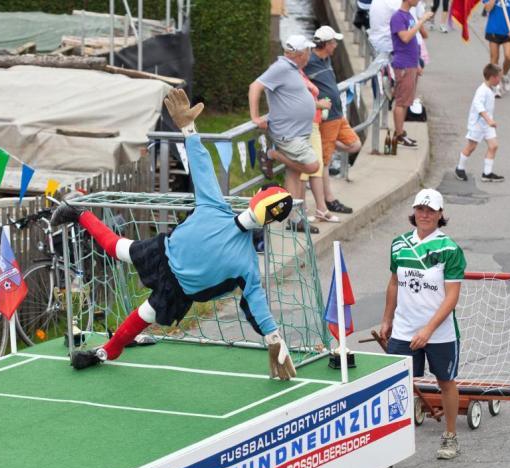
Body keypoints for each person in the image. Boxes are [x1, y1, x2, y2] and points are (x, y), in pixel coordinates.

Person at [53, 89, 297, 382]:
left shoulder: (244, 261)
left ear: (254, 198)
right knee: (118, 249)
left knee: (141, 315)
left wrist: (273, 338)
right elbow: (201, 164)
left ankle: (105, 352)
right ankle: (78, 213)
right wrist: (188, 128)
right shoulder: (218, 213)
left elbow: (256, 302)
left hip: (177, 291)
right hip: (162, 252)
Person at [380, 189, 466, 460]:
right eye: (420, 209)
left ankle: (450, 436)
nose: (425, 215)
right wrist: (387, 319)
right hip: (404, 328)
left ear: (440, 215)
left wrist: (428, 329)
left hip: (439, 332)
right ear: (414, 212)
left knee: (446, 381)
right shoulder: (398, 244)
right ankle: (391, 444)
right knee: (395, 384)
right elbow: (394, 283)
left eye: (431, 211)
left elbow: (452, 295)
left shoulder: (449, 249)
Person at [248, 34, 321, 212]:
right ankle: (272, 155)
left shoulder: (292, 68)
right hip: (287, 133)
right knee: (313, 166)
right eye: (308, 51)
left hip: (298, 131)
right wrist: (255, 117)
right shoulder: (281, 67)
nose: (310, 54)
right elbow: (255, 86)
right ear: (299, 53)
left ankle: (294, 218)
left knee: (294, 173)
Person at [306, 26, 362, 216]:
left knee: (355, 144)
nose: (336, 45)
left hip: (338, 114)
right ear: (325, 44)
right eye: (333, 42)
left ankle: (325, 147)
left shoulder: (327, 58)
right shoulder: (309, 61)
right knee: (325, 162)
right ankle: (329, 200)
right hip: (327, 118)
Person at [390, 0, 433, 147]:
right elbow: (405, 37)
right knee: (402, 101)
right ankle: (399, 134)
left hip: (411, 64)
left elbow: (418, 38)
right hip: (403, 65)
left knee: (407, 100)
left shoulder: (408, 16)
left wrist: (416, 64)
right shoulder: (398, 17)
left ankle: (400, 132)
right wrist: (421, 20)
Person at [298, 66, 338, 223]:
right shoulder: (292, 74)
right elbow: (298, 101)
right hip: (304, 125)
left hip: (313, 124)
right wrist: (319, 104)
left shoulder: (300, 72)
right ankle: (302, 210)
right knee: (304, 169)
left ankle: (321, 209)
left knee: (317, 167)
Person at [455, 64, 504, 183]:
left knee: (493, 146)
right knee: (471, 147)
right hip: (477, 124)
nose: (500, 80)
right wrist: (489, 120)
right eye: (499, 77)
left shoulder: (490, 89)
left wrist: (488, 121)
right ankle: (459, 168)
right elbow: (478, 105)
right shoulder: (482, 90)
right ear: (492, 77)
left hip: (487, 124)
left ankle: (487, 173)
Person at [484, 0, 510, 97]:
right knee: (494, 57)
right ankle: (495, 86)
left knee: (509, 56)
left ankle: (504, 75)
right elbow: (487, 8)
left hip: (508, 31)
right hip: (493, 29)